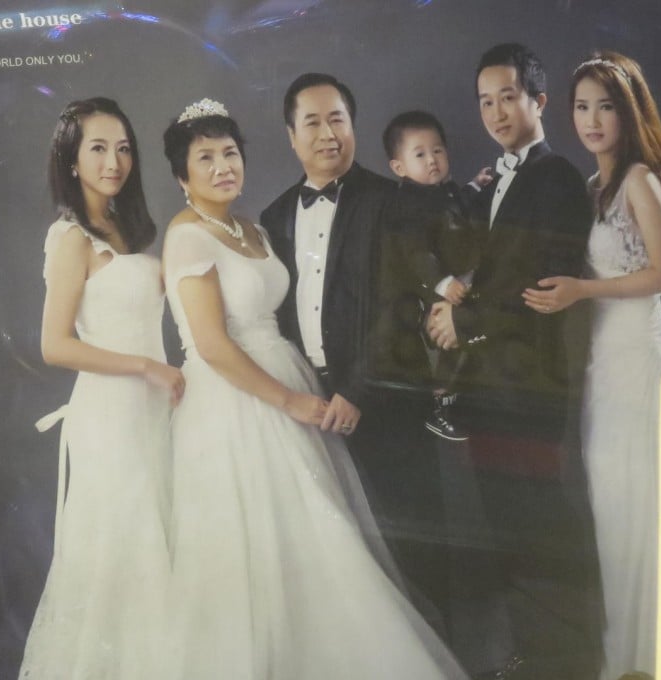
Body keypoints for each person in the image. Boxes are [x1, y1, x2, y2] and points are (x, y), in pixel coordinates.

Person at [159, 98, 469, 680]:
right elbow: (213, 345)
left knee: (324, 542)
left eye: (230, 153)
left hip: (299, 387)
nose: (223, 167)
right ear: (182, 176)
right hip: (238, 405)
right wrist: (290, 400)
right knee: (261, 552)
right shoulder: (187, 236)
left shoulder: (255, 228)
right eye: (205, 158)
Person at [425, 44, 597, 677]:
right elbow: (492, 269)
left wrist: (462, 322)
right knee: (510, 527)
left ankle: (567, 660)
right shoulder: (499, 178)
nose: (496, 112)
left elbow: (539, 287)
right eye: (485, 101)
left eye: (508, 97)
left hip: (529, 386)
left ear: (538, 100)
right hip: (496, 385)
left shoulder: (555, 178)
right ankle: (534, 655)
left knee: (539, 526)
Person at [259, 73, 446, 628]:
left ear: (353, 125)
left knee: (416, 545)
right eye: (312, 122)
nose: (327, 134)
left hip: (384, 403)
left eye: (337, 119)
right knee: (339, 560)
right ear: (291, 135)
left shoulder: (393, 201)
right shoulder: (273, 217)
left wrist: (357, 391)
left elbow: (401, 307)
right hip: (311, 408)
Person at [522, 50, 661, 680]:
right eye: (582, 107)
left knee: (642, 516)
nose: (591, 120)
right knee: (613, 520)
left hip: (639, 364)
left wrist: (583, 290)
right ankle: (626, 658)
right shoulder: (590, 188)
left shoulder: (639, 180)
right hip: (600, 369)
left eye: (605, 107)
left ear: (628, 113)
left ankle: (654, 658)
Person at [19, 97, 184, 679]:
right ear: (71, 159)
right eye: (97, 148)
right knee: (125, 551)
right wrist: (145, 367)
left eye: (123, 148)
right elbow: (54, 345)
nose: (114, 161)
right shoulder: (71, 237)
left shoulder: (126, 227)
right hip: (112, 417)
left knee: (164, 545)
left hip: (155, 410)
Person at [381, 109, 490, 441]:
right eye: (420, 154)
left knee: (467, 345)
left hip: (464, 277)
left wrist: (474, 186)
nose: (432, 160)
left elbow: (457, 202)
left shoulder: (445, 189)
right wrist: (442, 283)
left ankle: (456, 402)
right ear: (399, 167)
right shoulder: (408, 204)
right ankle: (439, 406)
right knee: (446, 347)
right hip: (437, 287)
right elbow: (416, 251)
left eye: (438, 150)